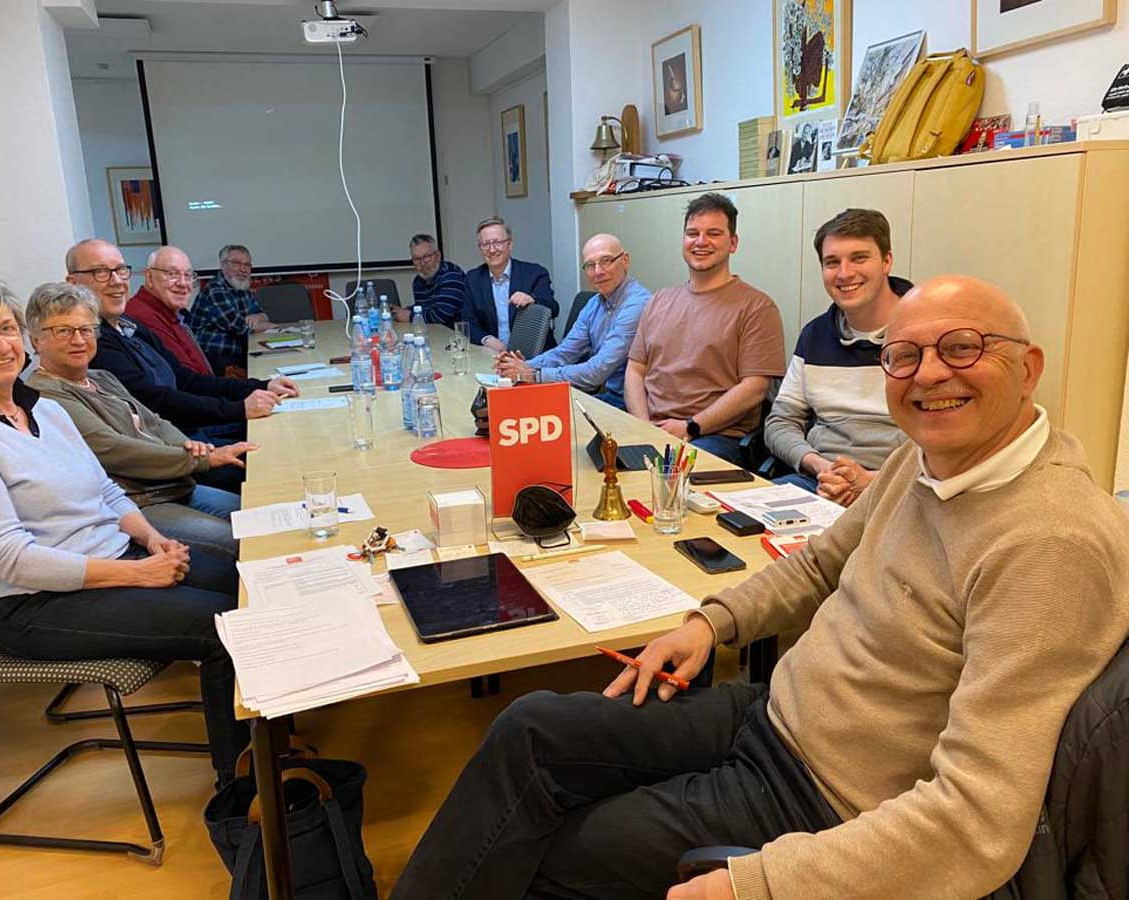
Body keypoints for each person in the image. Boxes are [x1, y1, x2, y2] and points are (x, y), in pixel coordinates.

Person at [392, 275, 1129, 900]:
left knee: (548, 855)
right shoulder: (929, 459)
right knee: (532, 726)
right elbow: (816, 565)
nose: (930, 374)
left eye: (962, 347)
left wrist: (763, 883)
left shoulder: (1050, 542)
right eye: (904, 356)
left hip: (829, 795)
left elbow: (977, 822)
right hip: (775, 715)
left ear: (1028, 368)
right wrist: (709, 625)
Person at [0, 272, 249, 788]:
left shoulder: (45, 408)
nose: (0, 344)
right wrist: (138, 576)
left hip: (117, 556)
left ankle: (268, 735)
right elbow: (9, 559)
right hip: (32, 603)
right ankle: (241, 787)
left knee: (251, 581)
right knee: (224, 624)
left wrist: (151, 538)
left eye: (6, 328)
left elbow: (106, 492)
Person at [25, 281, 253, 560]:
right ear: (36, 340)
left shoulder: (101, 377)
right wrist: (200, 459)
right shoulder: (45, 393)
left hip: (175, 485)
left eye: (86, 329)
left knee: (257, 516)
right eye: (63, 331)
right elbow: (113, 449)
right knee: (243, 544)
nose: (79, 340)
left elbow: (153, 422)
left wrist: (191, 446)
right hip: (139, 504)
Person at [65, 239, 298, 445]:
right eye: (101, 272)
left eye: (121, 270)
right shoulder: (93, 341)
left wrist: (261, 385)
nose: (116, 281)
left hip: (193, 429)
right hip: (179, 444)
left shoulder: (129, 324)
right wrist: (240, 408)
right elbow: (157, 402)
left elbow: (187, 379)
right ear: (73, 283)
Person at [624, 193, 786, 465]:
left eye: (713, 233)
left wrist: (690, 426)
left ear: (733, 243)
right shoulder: (659, 300)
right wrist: (642, 425)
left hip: (713, 436)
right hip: (651, 427)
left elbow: (756, 387)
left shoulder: (757, 307)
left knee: (664, 479)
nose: (701, 242)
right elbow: (635, 368)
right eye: (692, 233)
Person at [764, 209, 912, 505]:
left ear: (886, 261)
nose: (844, 273)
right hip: (819, 481)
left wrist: (872, 481)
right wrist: (818, 466)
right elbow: (780, 422)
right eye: (832, 262)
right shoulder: (815, 335)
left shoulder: (927, 333)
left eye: (859, 258)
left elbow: (954, 440)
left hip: (900, 490)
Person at [494, 233, 649, 411]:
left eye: (606, 260)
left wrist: (532, 374)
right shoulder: (594, 303)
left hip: (633, 406)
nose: (598, 271)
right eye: (590, 265)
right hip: (605, 397)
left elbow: (596, 372)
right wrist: (518, 367)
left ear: (625, 260)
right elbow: (565, 353)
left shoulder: (636, 305)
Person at [461, 216, 558, 352]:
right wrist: (486, 339)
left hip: (534, 356)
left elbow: (553, 308)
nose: (492, 249)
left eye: (497, 242)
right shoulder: (473, 279)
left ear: (510, 244)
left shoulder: (535, 273)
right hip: (493, 355)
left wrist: (533, 299)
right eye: (485, 244)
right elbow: (467, 321)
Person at [125, 245, 214, 376]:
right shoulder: (144, 317)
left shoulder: (171, 313)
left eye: (188, 275)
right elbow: (187, 381)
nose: (183, 283)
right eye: (172, 274)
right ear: (149, 277)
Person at [187, 243, 272, 374]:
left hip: (238, 353)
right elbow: (241, 327)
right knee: (268, 370)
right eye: (236, 264)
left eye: (247, 265)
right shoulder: (215, 290)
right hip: (214, 359)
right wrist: (275, 327)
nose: (243, 270)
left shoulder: (241, 286)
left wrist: (257, 317)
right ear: (223, 265)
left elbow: (263, 314)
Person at [396, 234, 466, 327]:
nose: (422, 263)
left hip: (455, 334)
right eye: (417, 259)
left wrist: (409, 316)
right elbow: (424, 308)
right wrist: (403, 311)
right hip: (435, 331)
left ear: (438, 255)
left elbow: (441, 316)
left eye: (426, 257)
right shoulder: (418, 281)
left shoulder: (451, 275)